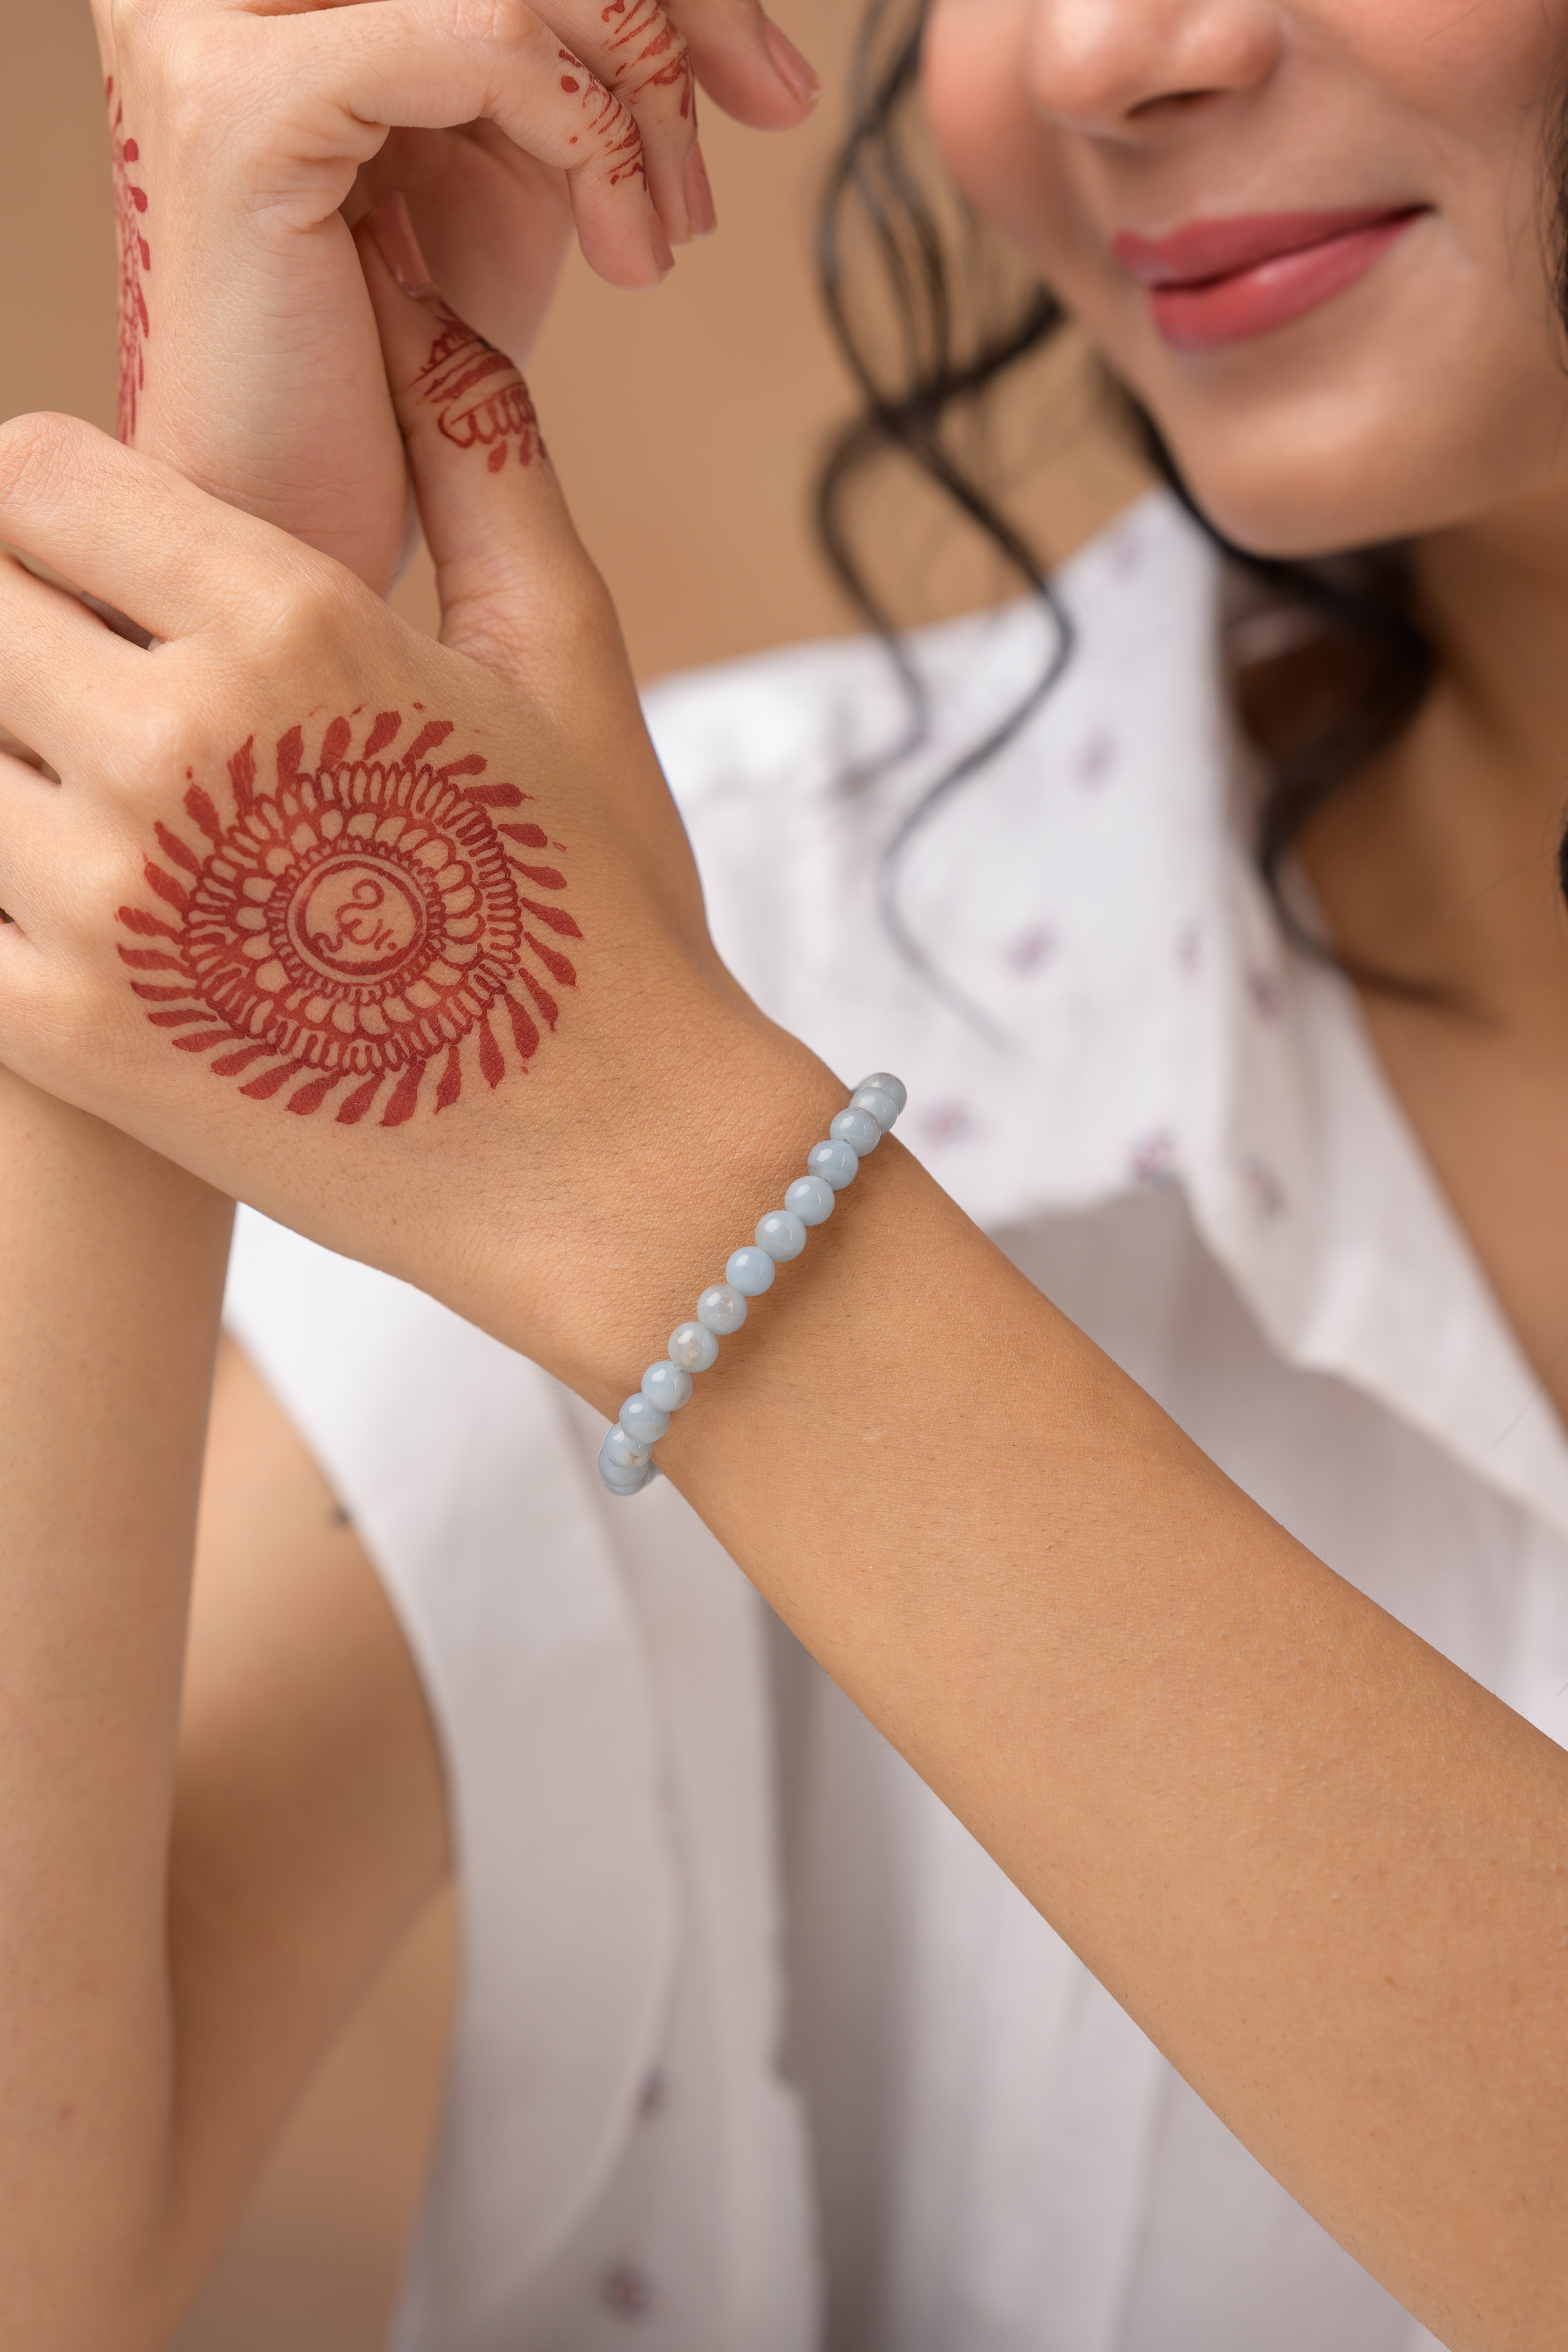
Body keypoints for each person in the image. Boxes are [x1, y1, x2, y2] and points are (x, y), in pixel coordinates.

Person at [1, 3, 1566, 2349]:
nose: (1105, 54)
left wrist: (682, 1186)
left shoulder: (621, 1052)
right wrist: (193, 665)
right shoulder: (708, 921)